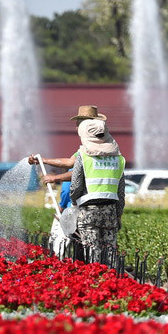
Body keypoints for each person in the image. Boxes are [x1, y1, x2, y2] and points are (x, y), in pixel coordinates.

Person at [30, 105, 126, 267]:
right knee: (110, 252)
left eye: (81, 123)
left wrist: (73, 204)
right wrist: (118, 215)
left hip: (88, 211)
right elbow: (121, 192)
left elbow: (75, 184)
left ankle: (97, 285)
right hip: (110, 211)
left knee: (92, 253)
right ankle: (113, 284)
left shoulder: (85, 155)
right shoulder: (118, 158)